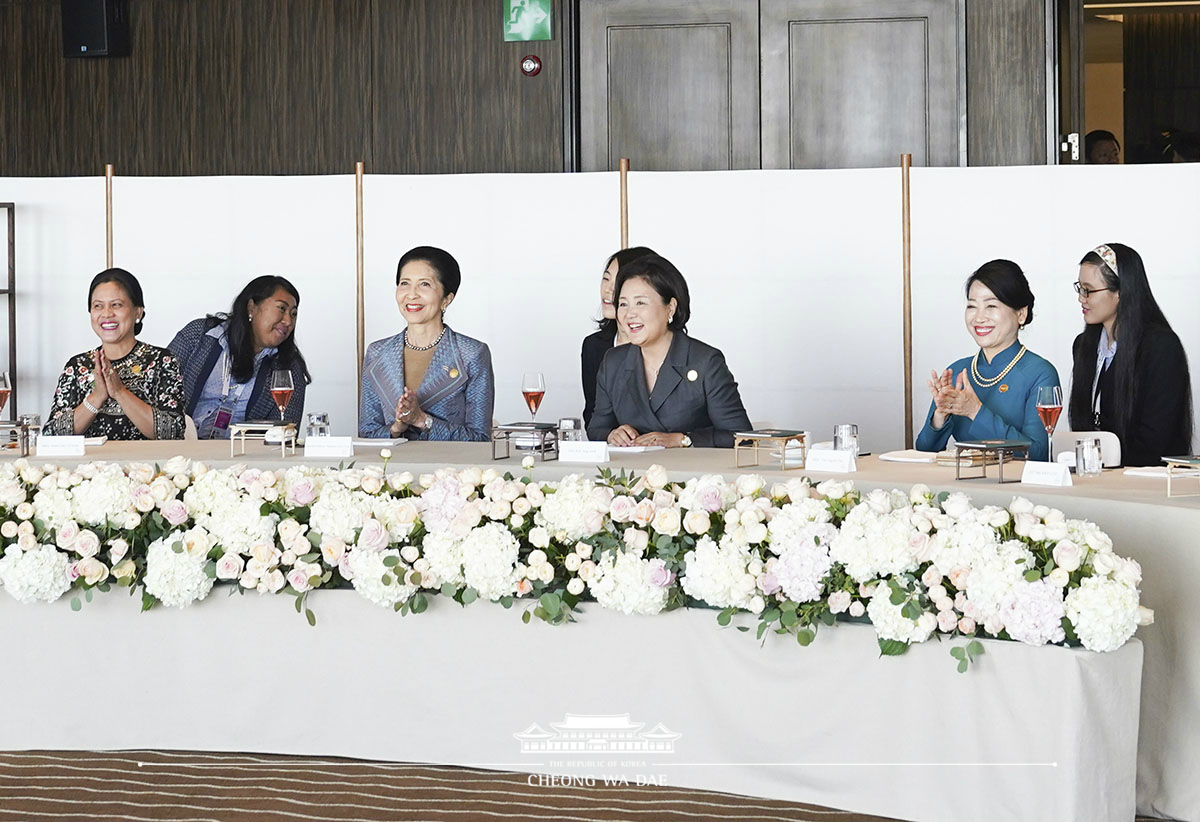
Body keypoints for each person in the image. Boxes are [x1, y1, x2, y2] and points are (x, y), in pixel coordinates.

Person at [586, 253, 751, 448]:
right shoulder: (613, 362)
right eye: (623, 304)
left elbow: (741, 436)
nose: (629, 313)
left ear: (670, 308)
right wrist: (612, 434)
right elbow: (595, 429)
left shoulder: (705, 361)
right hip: (633, 474)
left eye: (640, 302)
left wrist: (682, 439)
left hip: (691, 474)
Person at [916, 260, 1059, 460]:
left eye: (991, 306)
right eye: (972, 306)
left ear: (1021, 313)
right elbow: (923, 453)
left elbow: (1038, 454)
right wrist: (940, 416)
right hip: (962, 486)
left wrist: (975, 411)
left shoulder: (1040, 373)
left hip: (1016, 488)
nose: (979, 317)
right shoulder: (957, 371)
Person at [1068, 243, 1192, 466]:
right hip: (1096, 479)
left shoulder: (1160, 346)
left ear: (1121, 292)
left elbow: (1155, 440)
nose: (1081, 298)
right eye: (1080, 288)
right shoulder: (1083, 346)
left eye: (1089, 290)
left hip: (1148, 481)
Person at [360, 246, 494, 441]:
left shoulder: (471, 354)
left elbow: (480, 438)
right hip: (390, 467)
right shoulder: (378, 353)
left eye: (424, 285)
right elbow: (367, 433)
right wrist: (397, 427)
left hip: (449, 469)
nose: (411, 294)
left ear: (446, 299)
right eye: (404, 283)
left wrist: (422, 420)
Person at [45, 268, 184, 440]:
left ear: (137, 312)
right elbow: (52, 435)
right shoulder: (78, 366)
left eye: (116, 305)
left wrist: (119, 391)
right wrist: (97, 397)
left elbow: (173, 432)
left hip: (145, 466)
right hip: (88, 466)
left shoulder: (161, 361)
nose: (107, 314)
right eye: (98, 306)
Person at [168, 275, 310, 438]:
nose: (288, 321)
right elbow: (156, 392)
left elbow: (284, 436)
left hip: (242, 458)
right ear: (251, 307)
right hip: (179, 451)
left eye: (293, 314)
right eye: (281, 309)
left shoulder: (289, 369)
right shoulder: (199, 335)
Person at [581, 246, 655, 425]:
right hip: (615, 450)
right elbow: (592, 413)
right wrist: (611, 434)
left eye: (620, 281)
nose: (608, 290)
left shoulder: (662, 347)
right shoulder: (594, 346)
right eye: (606, 279)